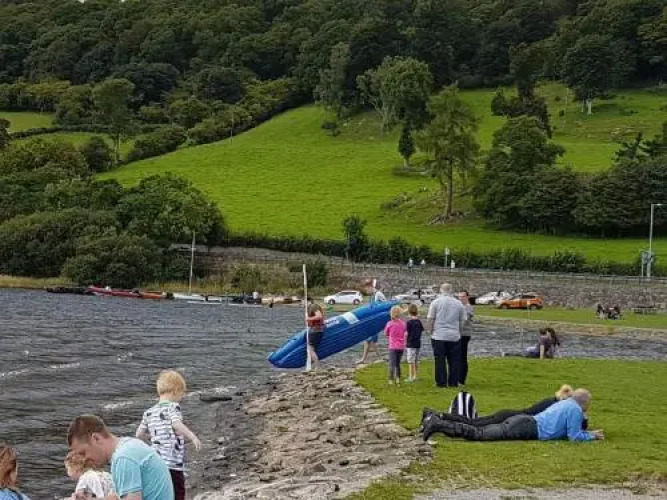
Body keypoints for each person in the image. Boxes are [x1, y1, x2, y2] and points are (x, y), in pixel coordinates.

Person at [423, 388, 603, 443]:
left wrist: (586, 431)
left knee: (478, 427)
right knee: (479, 433)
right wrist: (592, 436)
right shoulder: (575, 410)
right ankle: (438, 424)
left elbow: (569, 430)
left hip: (523, 421)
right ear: (584, 403)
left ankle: (438, 422)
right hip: (527, 428)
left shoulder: (565, 403)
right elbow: (574, 436)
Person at [68, 415, 174, 500]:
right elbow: (118, 497)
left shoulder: (123, 458)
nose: (84, 459)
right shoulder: (129, 445)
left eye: (83, 452)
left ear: (96, 438)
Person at [136, 371, 201, 500]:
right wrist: (192, 436)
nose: (182, 397)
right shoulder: (173, 407)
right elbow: (176, 424)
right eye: (182, 394)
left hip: (156, 462)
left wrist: (152, 439)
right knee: (178, 493)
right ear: (176, 391)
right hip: (172, 463)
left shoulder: (148, 412)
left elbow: (138, 434)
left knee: (161, 493)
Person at [421, 384, 578, 428]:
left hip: (508, 414)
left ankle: (438, 415)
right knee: (472, 424)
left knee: (473, 422)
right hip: (511, 418)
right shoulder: (554, 406)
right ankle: (439, 416)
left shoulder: (550, 400)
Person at [426, 283, 466, 387]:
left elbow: (430, 318)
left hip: (439, 335)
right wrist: (459, 331)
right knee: (454, 360)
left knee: (440, 360)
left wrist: (430, 331)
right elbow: (462, 320)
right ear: (451, 290)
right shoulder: (458, 304)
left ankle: (441, 382)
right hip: (454, 335)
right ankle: (453, 382)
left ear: (441, 290)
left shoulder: (436, 302)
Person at [357, 285, 386, 364]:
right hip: (372, 320)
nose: (367, 292)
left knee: (370, 340)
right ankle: (365, 359)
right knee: (368, 340)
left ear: (370, 288)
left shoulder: (379, 294)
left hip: (376, 321)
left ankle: (378, 358)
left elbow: (385, 304)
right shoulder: (373, 295)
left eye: (367, 290)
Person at [385, 305, 407, 385]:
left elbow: (386, 333)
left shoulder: (389, 323)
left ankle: (391, 380)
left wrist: (390, 335)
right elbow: (405, 332)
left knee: (391, 364)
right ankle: (398, 379)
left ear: (391, 313)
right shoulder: (403, 324)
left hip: (393, 347)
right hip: (401, 347)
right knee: (398, 364)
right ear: (400, 313)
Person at [457, 291, 474, 385]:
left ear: (467, 297)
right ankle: (457, 377)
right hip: (458, 334)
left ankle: (461, 379)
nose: (461, 298)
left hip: (464, 335)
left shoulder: (468, 307)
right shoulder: (460, 307)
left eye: (463, 296)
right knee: (457, 356)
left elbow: (463, 321)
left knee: (462, 357)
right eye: (459, 296)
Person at [405, 303, 424, 382]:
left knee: (410, 361)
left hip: (410, 343)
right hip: (417, 343)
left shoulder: (408, 322)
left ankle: (410, 376)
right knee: (416, 360)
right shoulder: (419, 321)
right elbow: (421, 330)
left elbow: (406, 333)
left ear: (409, 312)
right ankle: (415, 376)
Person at [305, 303, 325, 367]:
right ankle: (312, 366)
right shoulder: (313, 307)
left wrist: (308, 319)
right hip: (317, 330)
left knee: (310, 349)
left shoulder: (314, 306)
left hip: (315, 331)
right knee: (312, 349)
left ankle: (317, 367)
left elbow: (319, 316)